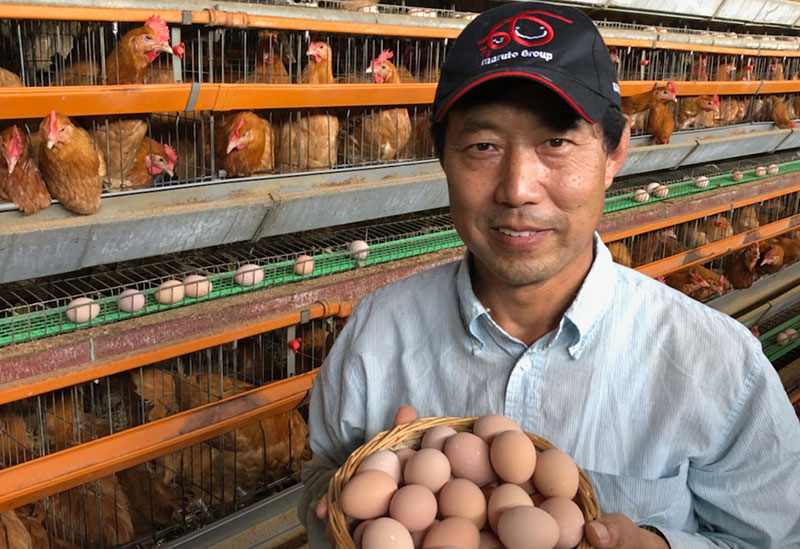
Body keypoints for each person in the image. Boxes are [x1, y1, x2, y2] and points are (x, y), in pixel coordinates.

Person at [299, 2, 800, 547]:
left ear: (615, 153)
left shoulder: (719, 365)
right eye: (483, 146)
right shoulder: (377, 335)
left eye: (556, 143)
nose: (518, 188)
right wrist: (346, 500)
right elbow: (320, 475)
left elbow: (773, 536)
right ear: (441, 155)